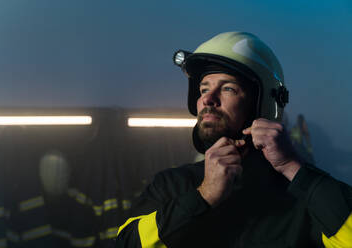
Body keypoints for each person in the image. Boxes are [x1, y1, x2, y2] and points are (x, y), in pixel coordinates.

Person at [115, 32, 352, 247]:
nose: (208, 99)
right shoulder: (172, 185)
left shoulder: (304, 199)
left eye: (228, 88)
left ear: (262, 105)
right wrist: (203, 196)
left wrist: (292, 167)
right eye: (203, 89)